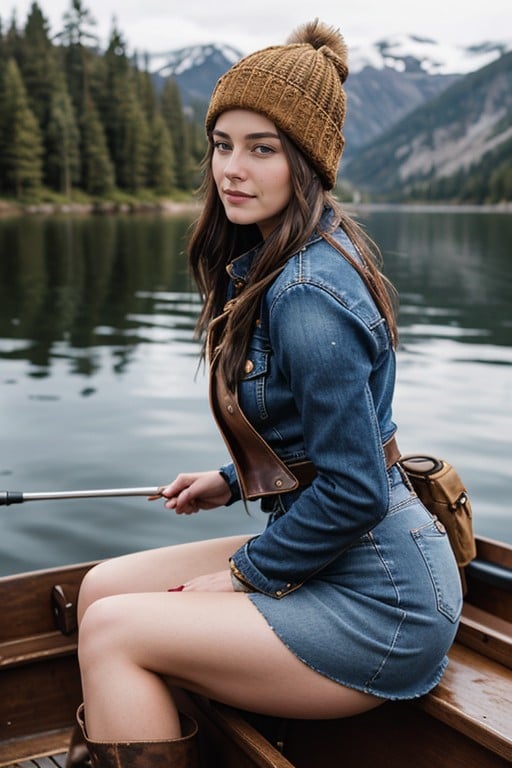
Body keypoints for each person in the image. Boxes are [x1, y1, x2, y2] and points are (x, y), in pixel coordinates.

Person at [70, 19, 463, 768]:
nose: (232, 170)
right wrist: (227, 482)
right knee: (101, 588)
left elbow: (353, 492)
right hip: (338, 558)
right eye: (223, 145)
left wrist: (241, 577)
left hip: (384, 601)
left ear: (307, 163)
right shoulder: (276, 263)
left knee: (117, 629)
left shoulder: (309, 294)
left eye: (263, 148)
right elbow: (320, 448)